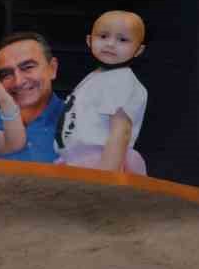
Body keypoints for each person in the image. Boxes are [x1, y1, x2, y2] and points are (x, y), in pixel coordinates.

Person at [56, 10, 148, 174]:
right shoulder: (99, 76)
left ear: (138, 50)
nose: (110, 44)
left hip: (102, 161)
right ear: (89, 40)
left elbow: (121, 130)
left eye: (123, 39)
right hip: (76, 159)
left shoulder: (121, 80)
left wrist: (106, 176)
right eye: (103, 36)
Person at [0, 32, 66, 162]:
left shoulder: (81, 122)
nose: (18, 81)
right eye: (6, 74)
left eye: (27, 67)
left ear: (52, 68)